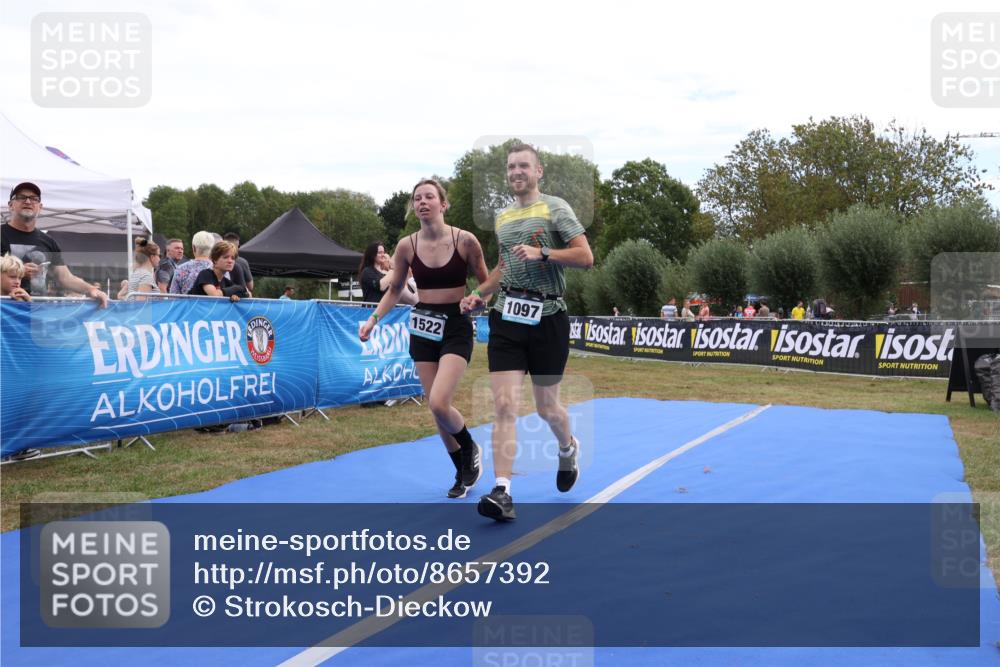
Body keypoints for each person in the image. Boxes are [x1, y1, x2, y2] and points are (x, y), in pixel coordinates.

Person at [460, 143, 593, 522]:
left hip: (548, 318)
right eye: (511, 167)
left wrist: (544, 253)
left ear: (538, 171)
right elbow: (503, 267)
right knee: (504, 405)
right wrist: (479, 294)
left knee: (547, 407)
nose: (516, 172)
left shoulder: (555, 208)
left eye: (523, 166)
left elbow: (585, 257)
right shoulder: (502, 217)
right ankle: (502, 491)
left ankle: (567, 448)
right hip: (507, 318)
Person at [359, 178, 489, 499]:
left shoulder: (465, 241)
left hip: (456, 324)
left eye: (429, 196)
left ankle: (470, 448)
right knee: (437, 411)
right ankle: (461, 470)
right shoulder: (406, 246)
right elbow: (394, 289)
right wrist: (373, 320)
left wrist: (477, 300)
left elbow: (486, 285)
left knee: (439, 401)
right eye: (417, 198)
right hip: (423, 327)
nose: (422, 202)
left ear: (443, 204)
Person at [1, 182, 108, 307]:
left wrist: (91, 289)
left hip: (39, 310)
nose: (28, 201)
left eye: (34, 198)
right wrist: (19, 271)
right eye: (21, 197)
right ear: (11, 205)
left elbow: (65, 278)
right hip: (6, 310)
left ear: (40, 207)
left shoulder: (48, 241)